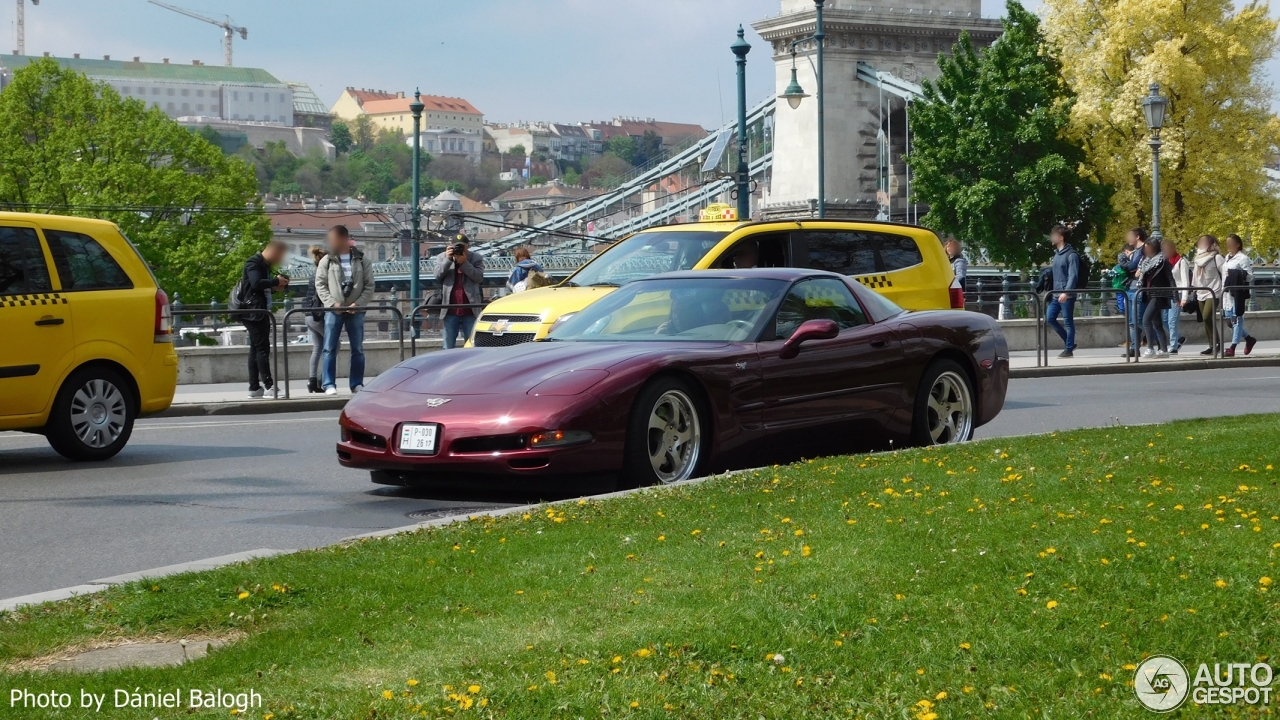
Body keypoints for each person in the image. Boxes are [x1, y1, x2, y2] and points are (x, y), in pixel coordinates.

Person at [315, 225, 375, 395]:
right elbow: (320, 284)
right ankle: (329, 384)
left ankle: (356, 384)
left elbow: (370, 285)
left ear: (343, 239)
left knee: (357, 349)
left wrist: (358, 304)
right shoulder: (326, 260)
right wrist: (332, 303)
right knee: (329, 348)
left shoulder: (363, 260)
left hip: (356, 310)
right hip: (334, 310)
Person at [241, 240, 290, 399]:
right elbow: (255, 284)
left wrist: (274, 287)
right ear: (273, 251)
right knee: (262, 348)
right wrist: (276, 281)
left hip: (258, 310)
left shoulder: (264, 265)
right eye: (280, 255)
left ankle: (254, 387)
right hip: (254, 312)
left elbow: (261, 288)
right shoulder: (253, 262)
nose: (279, 259)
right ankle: (269, 387)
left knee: (255, 349)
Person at [434, 235, 486, 349]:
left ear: (468, 246)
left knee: (471, 347)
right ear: (450, 246)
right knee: (448, 347)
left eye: (462, 246)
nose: (459, 249)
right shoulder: (442, 257)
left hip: (470, 310)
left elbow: (479, 277)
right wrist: (448, 260)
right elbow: (437, 275)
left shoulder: (476, 258)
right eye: (456, 246)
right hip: (450, 310)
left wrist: (464, 263)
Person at [1044, 225, 1080, 358]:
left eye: (1054, 235)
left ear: (1060, 238)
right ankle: (1069, 341)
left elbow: (1073, 276)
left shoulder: (1071, 255)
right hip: (1055, 293)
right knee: (1050, 318)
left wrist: (1066, 292)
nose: (1051, 237)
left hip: (1066, 294)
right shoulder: (1057, 254)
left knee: (1068, 321)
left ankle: (1069, 349)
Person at [1221, 234, 1257, 357]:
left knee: (1237, 319)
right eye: (1227, 243)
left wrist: (1234, 274)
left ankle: (1233, 347)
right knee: (1229, 321)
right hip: (1227, 293)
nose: (1228, 246)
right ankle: (1249, 339)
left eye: (1231, 243)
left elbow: (1250, 276)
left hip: (1237, 293)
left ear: (1238, 245)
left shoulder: (1243, 258)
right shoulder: (1227, 258)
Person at [1136, 239, 1173, 358]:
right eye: (1145, 248)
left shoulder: (1162, 261)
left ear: (1155, 248)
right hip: (1149, 294)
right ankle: (1163, 350)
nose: (1146, 251)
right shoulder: (1146, 262)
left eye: (1149, 248)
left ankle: (1150, 348)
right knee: (1157, 323)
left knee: (1146, 320)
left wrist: (1175, 296)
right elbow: (1140, 276)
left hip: (1158, 294)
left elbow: (1170, 278)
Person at [1191, 235, 1225, 355]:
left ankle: (1217, 343)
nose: (1201, 244)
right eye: (1200, 242)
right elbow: (1195, 276)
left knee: (1207, 316)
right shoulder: (1197, 259)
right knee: (1205, 320)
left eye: (1204, 242)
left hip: (1214, 290)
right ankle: (1211, 345)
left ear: (1211, 244)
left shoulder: (1217, 257)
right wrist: (1194, 290)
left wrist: (1225, 291)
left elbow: (1225, 274)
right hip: (1201, 291)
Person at [1118, 228, 1147, 357]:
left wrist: (1124, 263)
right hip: (1131, 288)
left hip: (1138, 289)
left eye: (1130, 235)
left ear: (1137, 237)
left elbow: (1131, 267)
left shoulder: (1143, 250)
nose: (1127, 238)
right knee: (1131, 321)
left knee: (1138, 320)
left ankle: (1155, 339)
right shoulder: (1135, 252)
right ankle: (1134, 348)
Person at [302, 246, 327, 393]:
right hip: (318, 316)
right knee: (334, 345)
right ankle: (323, 379)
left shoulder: (313, 274)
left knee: (317, 348)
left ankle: (312, 381)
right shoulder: (323, 274)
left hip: (308, 314)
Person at [1161, 238, 1189, 354]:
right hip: (1167, 293)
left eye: (1167, 249)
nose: (1165, 251)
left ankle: (1173, 346)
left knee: (1172, 321)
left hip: (1178, 292)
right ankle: (1179, 338)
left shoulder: (1181, 262)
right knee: (1163, 320)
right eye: (1163, 249)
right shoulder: (1164, 261)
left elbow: (1185, 280)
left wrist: (1184, 297)